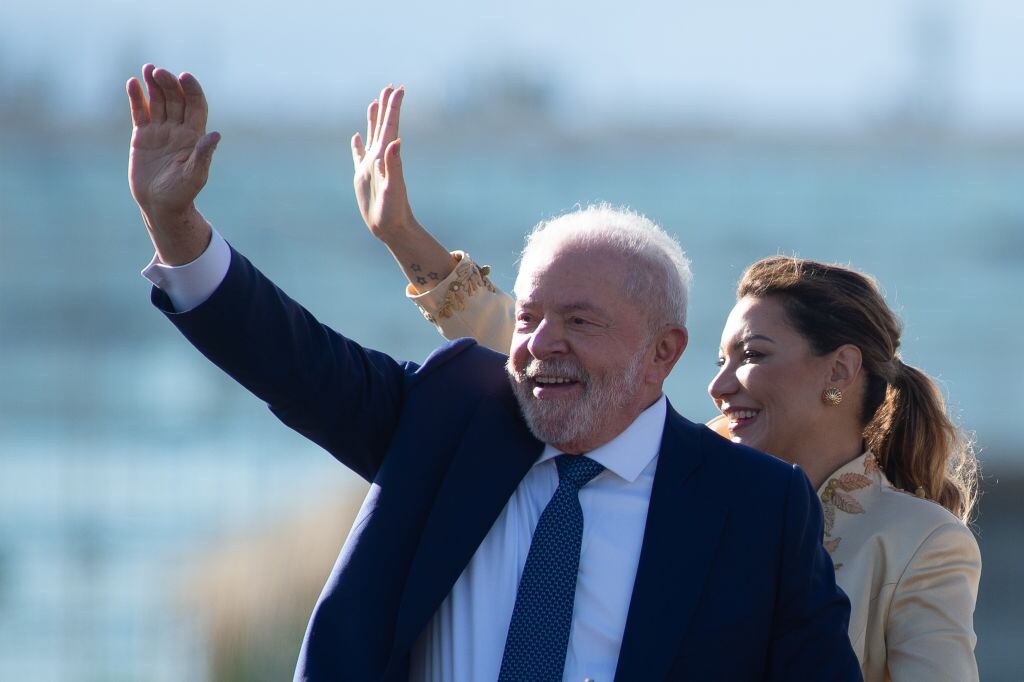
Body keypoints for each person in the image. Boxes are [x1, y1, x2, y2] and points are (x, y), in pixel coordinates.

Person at [127, 66, 862, 681]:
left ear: (664, 352)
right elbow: (292, 361)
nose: (540, 344)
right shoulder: (448, 420)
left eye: (580, 322)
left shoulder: (757, 507)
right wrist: (175, 225)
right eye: (529, 316)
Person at [354, 89, 982, 682]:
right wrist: (403, 236)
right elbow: (535, 350)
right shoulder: (687, 475)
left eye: (752, 356)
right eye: (718, 358)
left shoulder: (919, 542)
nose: (718, 386)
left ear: (839, 371)